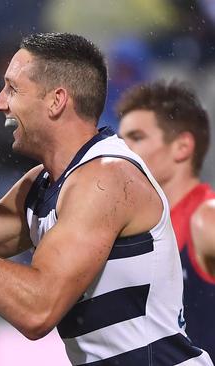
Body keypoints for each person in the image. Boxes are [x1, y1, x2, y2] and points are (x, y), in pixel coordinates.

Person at [0, 32, 213, 365]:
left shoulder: (105, 179)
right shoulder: (43, 185)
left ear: (57, 100)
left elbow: (37, 310)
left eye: (12, 88)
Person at [117, 80, 215, 358]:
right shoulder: (136, 226)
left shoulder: (205, 219)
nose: (122, 150)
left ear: (182, 147)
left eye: (136, 137)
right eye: (121, 139)